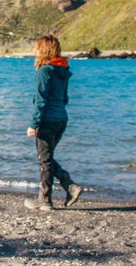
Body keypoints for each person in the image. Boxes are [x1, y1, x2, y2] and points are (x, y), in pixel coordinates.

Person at [24, 34, 83, 211]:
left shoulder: (45, 71)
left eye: (37, 48)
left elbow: (40, 100)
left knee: (45, 160)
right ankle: (67, 187)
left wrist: (33, 123)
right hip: (61, 119)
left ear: (43, 50)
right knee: (47, 158)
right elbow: (64, 98)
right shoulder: (62, 71)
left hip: (48, 119)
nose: (34, 51)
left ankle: (47, 199)